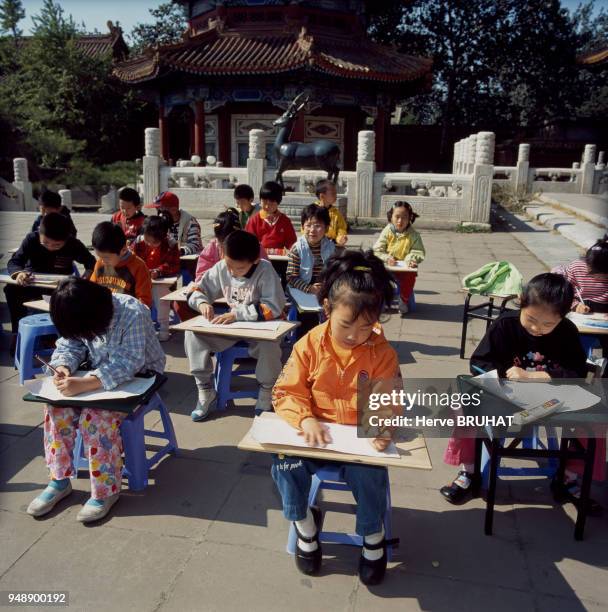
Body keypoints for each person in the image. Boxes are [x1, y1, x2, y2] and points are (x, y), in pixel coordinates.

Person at [272, 250, 400, 585]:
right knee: (283, 462)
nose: (355, 336)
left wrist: (381, 427)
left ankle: (373, 538)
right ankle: (306, 527)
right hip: (313, 435)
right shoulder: (309, 344)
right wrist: (304, 419)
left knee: (371, 472)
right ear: (327, 308)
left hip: (357, 440)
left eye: (367, 327)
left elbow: (387, 399)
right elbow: (286, 391)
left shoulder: (382, 353)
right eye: (346, 325)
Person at [440, 273, 605, 513]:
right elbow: (479, 362)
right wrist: (502, 378)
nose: (538, 329)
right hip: (506, 394)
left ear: (563, 317)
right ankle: (469, 472)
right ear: (522, 301)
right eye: (531, 319)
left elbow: (579, 370)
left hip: (553, 398)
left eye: (549, 324)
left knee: (597, 413)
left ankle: (569, 477)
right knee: (464, 402)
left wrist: (541, 376)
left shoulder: (567, 331)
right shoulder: (505, 325)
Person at [25, 278, 165, 523]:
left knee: (96, 418)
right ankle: (59, 480)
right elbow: (70, 344)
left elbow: (130, 362)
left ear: (96, 316)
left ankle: (105, 491)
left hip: (141, 377)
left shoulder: (132, 311)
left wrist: (86, 383)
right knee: (57, 409)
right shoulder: (80, 314)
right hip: (96, 375)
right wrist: (64, 367)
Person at [185, 230, 285, 421]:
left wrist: (237, 314)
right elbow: (196, 288)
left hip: (262, 329)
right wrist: (202, 303)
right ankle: (205, 389)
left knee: (269, 346)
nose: (231, 272)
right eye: (228, 265)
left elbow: (273, 307)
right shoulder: (223, 266)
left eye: (238, 269)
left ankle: (266, 390)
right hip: (231, 327)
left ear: (254, 261)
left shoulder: (265, 270)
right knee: (193, 335)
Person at [5, 213, 95, 336]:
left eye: (57, 245)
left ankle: (63, 334)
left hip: (58, 287)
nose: (51, 247)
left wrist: (88, 273)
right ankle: (17, 333)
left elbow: (90, 261)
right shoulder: (31, 239)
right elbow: (15, 261)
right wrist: (19, 274)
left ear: (66, 238)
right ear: (40, 234)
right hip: (32, 283)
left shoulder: (73, 244)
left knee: (76, 297)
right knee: (11, 290)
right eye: (45, 243)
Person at [553, 235, 608, 357]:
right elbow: (563, 289)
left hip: (604, 315)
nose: (593, 277)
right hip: (580, 313)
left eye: (599, 275)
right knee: (575, 342)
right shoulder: (577, 267)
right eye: (589, 271)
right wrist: (574, 304)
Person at [286, 204, 335, 337]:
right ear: (302, 227)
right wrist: (309, 288)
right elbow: (291, 277)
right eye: (308, 225)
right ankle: (306, 345)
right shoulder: (297, 249)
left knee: (336, 311)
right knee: (308, 317)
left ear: (326, 228)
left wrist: (325, 287)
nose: (312, 230)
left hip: (323, 286)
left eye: (318, 225)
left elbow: (335, 273)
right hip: (301, 287)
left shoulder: (331, 247)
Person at [373, 201, 425, 315]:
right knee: (377, 277)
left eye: (404, 217)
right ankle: (381, 300)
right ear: (391, 216)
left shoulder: (414, 235)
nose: (400, 221)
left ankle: (404, 300)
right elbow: (377, 249)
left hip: (404, 269)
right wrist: (387, 258)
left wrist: (411, 260)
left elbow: (418, 251)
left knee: (410, 276)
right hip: (387, 267)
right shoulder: (387, 231)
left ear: (410, 218)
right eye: (397, 217)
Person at [133, 216, 180, 341]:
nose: (150, 245)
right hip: (141, 279)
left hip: (162, 280)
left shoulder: (171, 244)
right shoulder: (138, 242)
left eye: (155, 243)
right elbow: (133, 260)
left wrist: (159, 271)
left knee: (161, 295)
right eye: (148, 241)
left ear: (163, 237)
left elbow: (174, 265)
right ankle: (141, 328)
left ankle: (164, 327)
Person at [90, 221, 152, 308]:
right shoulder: (100, 264)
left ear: (123, 250)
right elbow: (91, 291)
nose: (103, 261)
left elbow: (144, 302)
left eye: (106, 258)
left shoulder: (138, 267)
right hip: (105, 314)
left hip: (130, 315)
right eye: (99, 256)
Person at [245, 181, 297, 252]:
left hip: (280, 259)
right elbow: (248, 243)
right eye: (264, 202)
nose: (267, 206)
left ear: (278, 202)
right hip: (259, 259)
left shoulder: (285, 221)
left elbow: (292, 244)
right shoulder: (254, 220)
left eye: (271, 203)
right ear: (260, 200)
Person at [145, 191, 202, 256]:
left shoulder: (190, 222)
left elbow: (195, 245)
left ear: (174, 209)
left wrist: (179, 251)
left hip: (187, 260)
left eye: (161, 210)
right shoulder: (162, 222)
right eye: (157, 210)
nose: (160, 213)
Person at [313, 179, 347, 246]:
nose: (336, 195)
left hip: (331, 244)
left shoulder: (336, 213)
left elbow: (341, 228)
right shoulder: (312, 211)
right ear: (322, 196)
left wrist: (340, 238)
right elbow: (305, 228)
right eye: (333, 193)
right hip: (315, 244)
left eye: (336, 193)